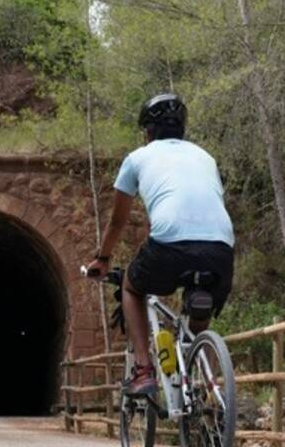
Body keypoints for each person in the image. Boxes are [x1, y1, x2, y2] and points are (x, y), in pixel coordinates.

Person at [86, 93, 235, 396]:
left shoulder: (137, 158)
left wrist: (102, 258)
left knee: (131, 286)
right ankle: (209, 387)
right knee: (199, 313)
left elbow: (117, 222)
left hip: (169, 244)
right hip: (221, 246)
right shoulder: (205, 157)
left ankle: (143, 370)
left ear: (148, 132)